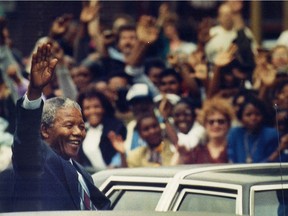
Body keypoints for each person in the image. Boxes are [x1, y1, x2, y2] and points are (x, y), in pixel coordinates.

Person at [11, 43, 110, 211]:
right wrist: (34, 91)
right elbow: (26, 139)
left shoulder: (83, 173)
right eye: (69, 125)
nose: (78, 132)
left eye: (81, 126)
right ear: (44, 130)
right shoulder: (38, 161)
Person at [76, 86, 127, 172]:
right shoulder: (81, 131)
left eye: (96, 107)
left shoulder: (117, 127)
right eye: (87, 108)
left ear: (104, 108)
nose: (92, 111)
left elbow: (123, 154)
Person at [175, 97, 234, 164]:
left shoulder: (235, 149)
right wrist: (181, 156)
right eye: (211, 122)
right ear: (205, 125)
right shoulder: (197, 152)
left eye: (221, 121)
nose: (216, 125)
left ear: (229, 124)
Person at [227, 95, 279, 163]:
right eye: (248, 115)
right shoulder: (234, 133)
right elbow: (231, 158)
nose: (253, 118)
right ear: (241, 117)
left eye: (257, 114)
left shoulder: (271, 134)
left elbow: (271, 161)